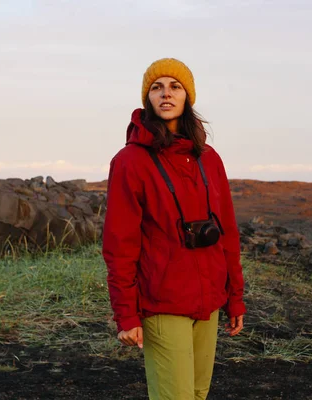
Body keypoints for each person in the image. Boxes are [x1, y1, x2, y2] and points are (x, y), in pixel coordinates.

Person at [102, 58, 246, 400]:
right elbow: (119, 244)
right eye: (157, 87)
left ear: (187, 97)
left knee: (197, 394)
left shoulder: (209, 158)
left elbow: (227, 231)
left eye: (175, 86)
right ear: (147, 99)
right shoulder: (130, 162)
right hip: (163, 301)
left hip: (209, 300)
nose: (166, 93)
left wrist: (235, 298)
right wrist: (126, 314)